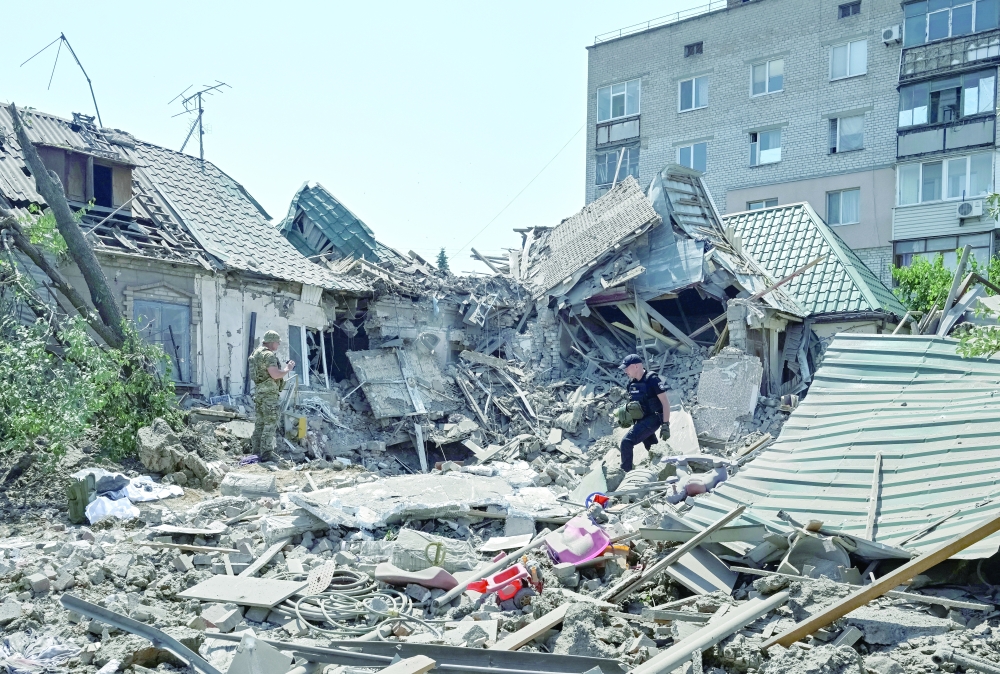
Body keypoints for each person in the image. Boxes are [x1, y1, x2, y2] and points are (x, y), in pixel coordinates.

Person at [619, 353, 671, 473]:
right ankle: (665, 468)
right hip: (641, 420)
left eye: (627, 368)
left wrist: (666, 424)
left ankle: (625, 473)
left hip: (654, 418)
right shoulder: (631, 384)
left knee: (626, 442)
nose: (625, 371)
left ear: (636, 366)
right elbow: (635, 405)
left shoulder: (652, 380)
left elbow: (665, 403)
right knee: (652, 447)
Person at [248, 330, 295, 462]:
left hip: (259, 392)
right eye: (277, 342)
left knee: (260, 423)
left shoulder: (256, 353)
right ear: (271, 341)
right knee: (270, 423)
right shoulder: (268, 355)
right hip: (269, 394)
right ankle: (266, 455)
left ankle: (256, 452)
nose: (278, 344)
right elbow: (275, 375)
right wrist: (287, 369)